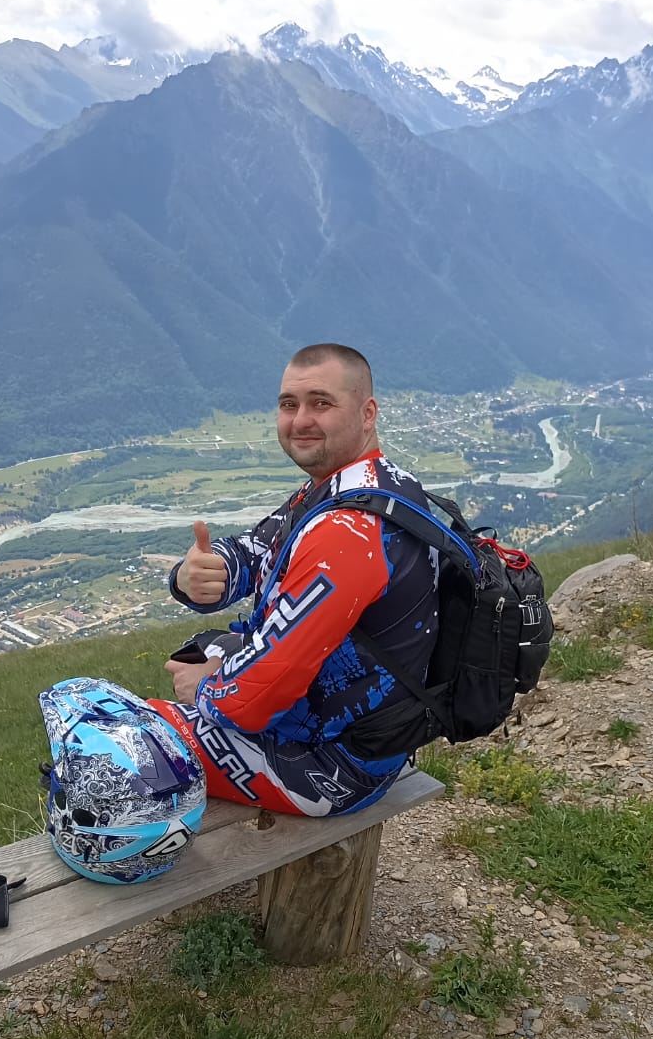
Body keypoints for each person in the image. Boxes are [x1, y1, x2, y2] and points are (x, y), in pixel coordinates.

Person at [147, 343, 439, 817]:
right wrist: (198, 575)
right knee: (200, 646)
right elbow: (260, 549)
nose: (301, 420)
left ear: (367, 414)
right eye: (289, 404)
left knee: (111, 733)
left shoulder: (349, 530)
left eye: (321, 403)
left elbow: (252, 700)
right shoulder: (358, 486)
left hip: (334, 766)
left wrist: (204, 688)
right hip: (356, 729)